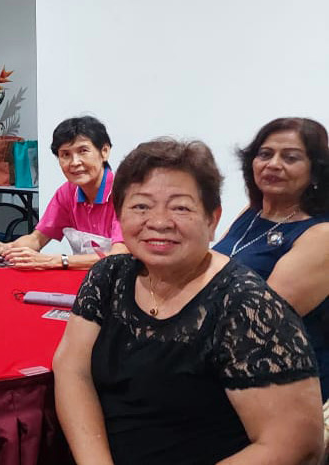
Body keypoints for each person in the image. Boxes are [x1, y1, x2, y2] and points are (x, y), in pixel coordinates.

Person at [52, 139, 323, 464]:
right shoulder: (110, 274)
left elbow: (296, 443)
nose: (159, 222)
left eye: (180, 207)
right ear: (119, 215)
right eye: (141, 206)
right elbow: (72, 369)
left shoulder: (245, 304)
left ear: (212, 220)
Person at [214, 117, 329, 399]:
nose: (273, 164)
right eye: (265, 154)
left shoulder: (321, 234)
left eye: (290, 158)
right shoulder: (252, 214)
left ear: (315, 172)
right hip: (220, 358)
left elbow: (262, 322)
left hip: (276, 380)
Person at [0, 116, 128, 269]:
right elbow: (37, 239)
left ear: (104, 151)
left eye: (83, 151)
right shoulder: (67, 192)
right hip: (87, 282)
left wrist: (54, 261)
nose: (75, 162)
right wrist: (5, 248)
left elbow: (118, 256)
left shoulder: (124, 194)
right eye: (65, 155)